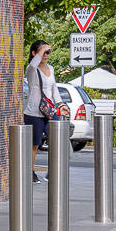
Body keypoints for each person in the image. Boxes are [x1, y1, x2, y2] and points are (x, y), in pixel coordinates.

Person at [24, 40, 70, 183]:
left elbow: (54, 89)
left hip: (49, 112)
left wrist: (61, 104)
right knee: (35, 144)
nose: (46, 55)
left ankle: (53, 172)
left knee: (57, 141)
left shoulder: (51, 68)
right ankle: (30, 172)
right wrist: (41, 51)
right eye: (43, 52)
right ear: (34, 53)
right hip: (34, 112)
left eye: (47, 52)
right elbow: (33, 64)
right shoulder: (31, 69)